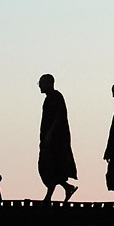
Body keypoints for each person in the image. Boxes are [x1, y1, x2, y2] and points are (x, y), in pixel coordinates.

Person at [37, 73, 78, 203]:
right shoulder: (50, 98)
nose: (40, 86)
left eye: (41, 83)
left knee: (51, 165)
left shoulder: (56, 97)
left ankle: (49, 197)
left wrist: (50, 133)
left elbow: (59, 116)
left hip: (56, 140)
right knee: (50, 166)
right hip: (49, 139)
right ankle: (67, 188)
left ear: (49, 83)